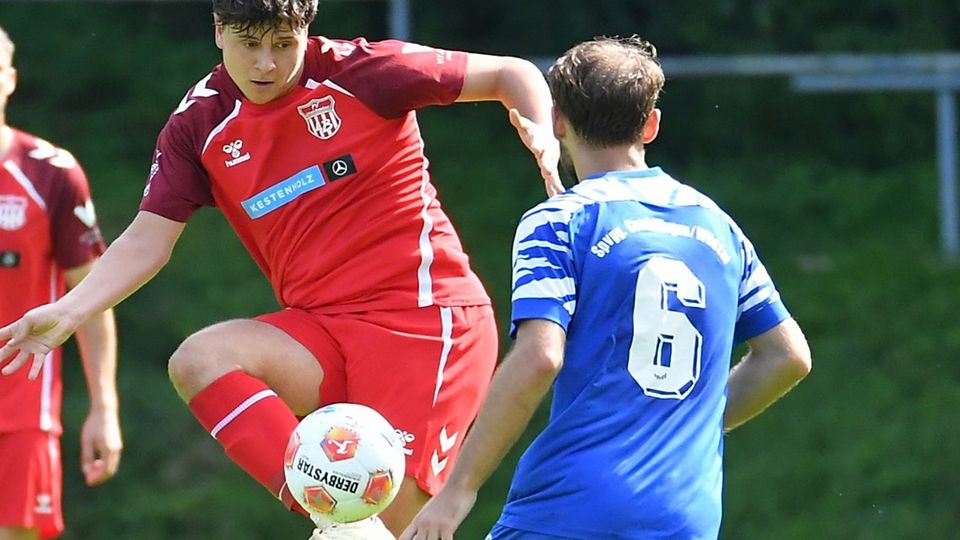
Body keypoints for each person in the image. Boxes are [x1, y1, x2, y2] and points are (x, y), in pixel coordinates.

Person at [0, 2, 560, 539]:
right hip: (322, 331)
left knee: (395, 528)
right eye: (248, 44)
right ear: (218, 31)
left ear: (307, 30)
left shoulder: (362, 72)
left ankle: (354, 525)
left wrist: (543, 135)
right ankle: (339, 519)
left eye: (282, 44)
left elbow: (511, 72)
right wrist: (69, 311)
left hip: (425, 325)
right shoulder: (199, 123)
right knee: (203, 360)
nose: (265, 63)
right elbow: (148, 237)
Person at [399, 36, 813, 540]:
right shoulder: (718, 226)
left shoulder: (561, 220)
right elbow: (788, 356)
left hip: (571, 507)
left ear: (557, 121)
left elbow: (540, 358)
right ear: (652, 124)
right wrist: (685, 427)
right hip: (685, 514)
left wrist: (456, 492)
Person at [0, 25, 122, 540]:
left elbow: (92, 298)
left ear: (8, 79)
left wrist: (104, 408)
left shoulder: (51, 172)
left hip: (20, 412)